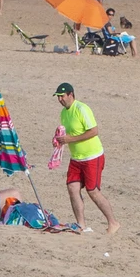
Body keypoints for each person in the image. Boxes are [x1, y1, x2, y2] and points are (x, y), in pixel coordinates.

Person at [55, 83, 117, 234]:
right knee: (72, 188)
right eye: (58, 97)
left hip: (92, 157)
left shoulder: (82, 109)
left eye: (62, 96)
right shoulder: (64, 113)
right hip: (76, 158)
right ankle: (81, 224)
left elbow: (94, 131)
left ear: (71, 95)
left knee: (93, 191)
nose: (60, 100)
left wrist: (70, 139)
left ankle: (113, 223)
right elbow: (66, 134)